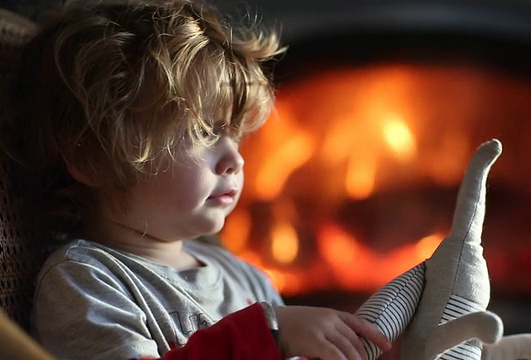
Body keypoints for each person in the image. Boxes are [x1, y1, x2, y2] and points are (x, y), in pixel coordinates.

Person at [1, 0, 392, 359]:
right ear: (91, 157)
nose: (234, 158)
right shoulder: (86, 280)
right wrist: (267, 335)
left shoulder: (245, 278)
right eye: (204, 132)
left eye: (235, 135)